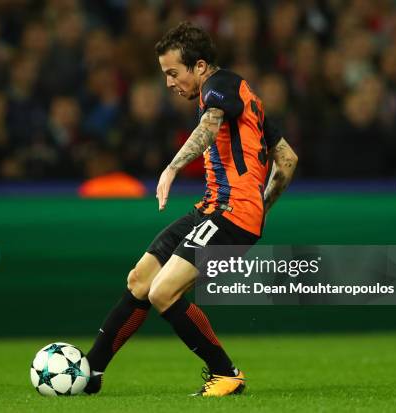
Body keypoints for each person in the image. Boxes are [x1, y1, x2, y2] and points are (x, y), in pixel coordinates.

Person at [84, 21, 298, 397]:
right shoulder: (245, 97)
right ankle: (91, 371)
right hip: (214, 208)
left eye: (172, 72)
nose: (168, 83)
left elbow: (210, 127)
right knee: (140, 280)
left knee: (162, 292)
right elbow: (288, 159)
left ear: (199, 67)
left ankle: (226, 373)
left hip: (229, 211)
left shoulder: (219, 85)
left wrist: (172, 167)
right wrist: (262, 208)